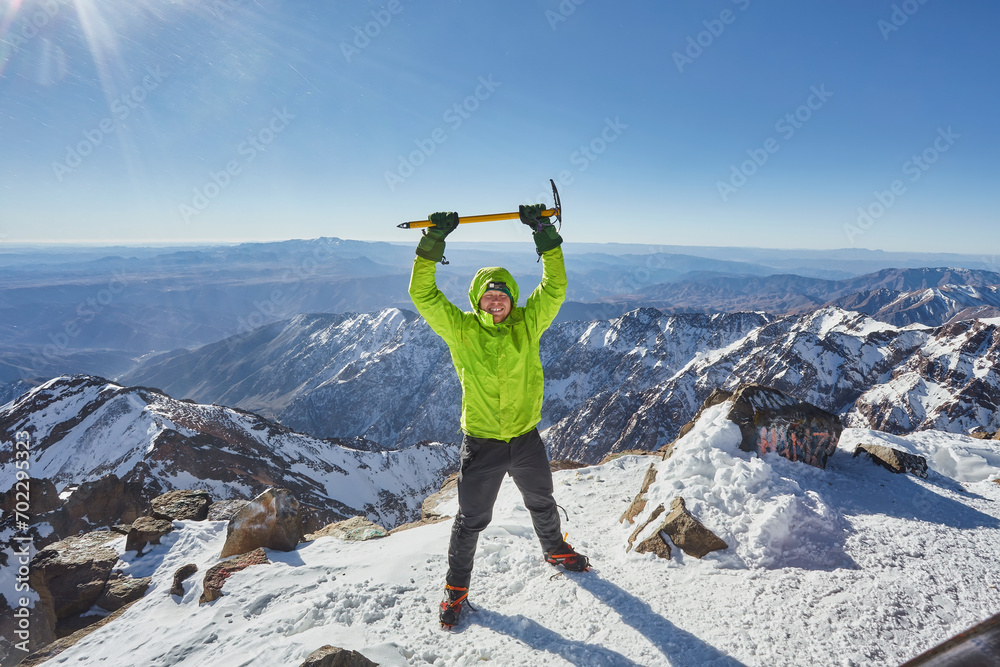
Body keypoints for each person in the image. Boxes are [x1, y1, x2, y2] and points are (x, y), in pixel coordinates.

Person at [407, 203, 590, 629]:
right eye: (488, 297)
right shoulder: (461, 329)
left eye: (502, 296)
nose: (495, 303)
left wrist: (544, 235)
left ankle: (554, 548)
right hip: (483, 443)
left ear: (512, 300)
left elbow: (555, 286)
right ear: (476, 300)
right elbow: (423, 294)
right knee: (471, 520)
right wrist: (433, 242)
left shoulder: (529, 324)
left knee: (541, 501)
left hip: (526, 438)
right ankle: (455, 591)